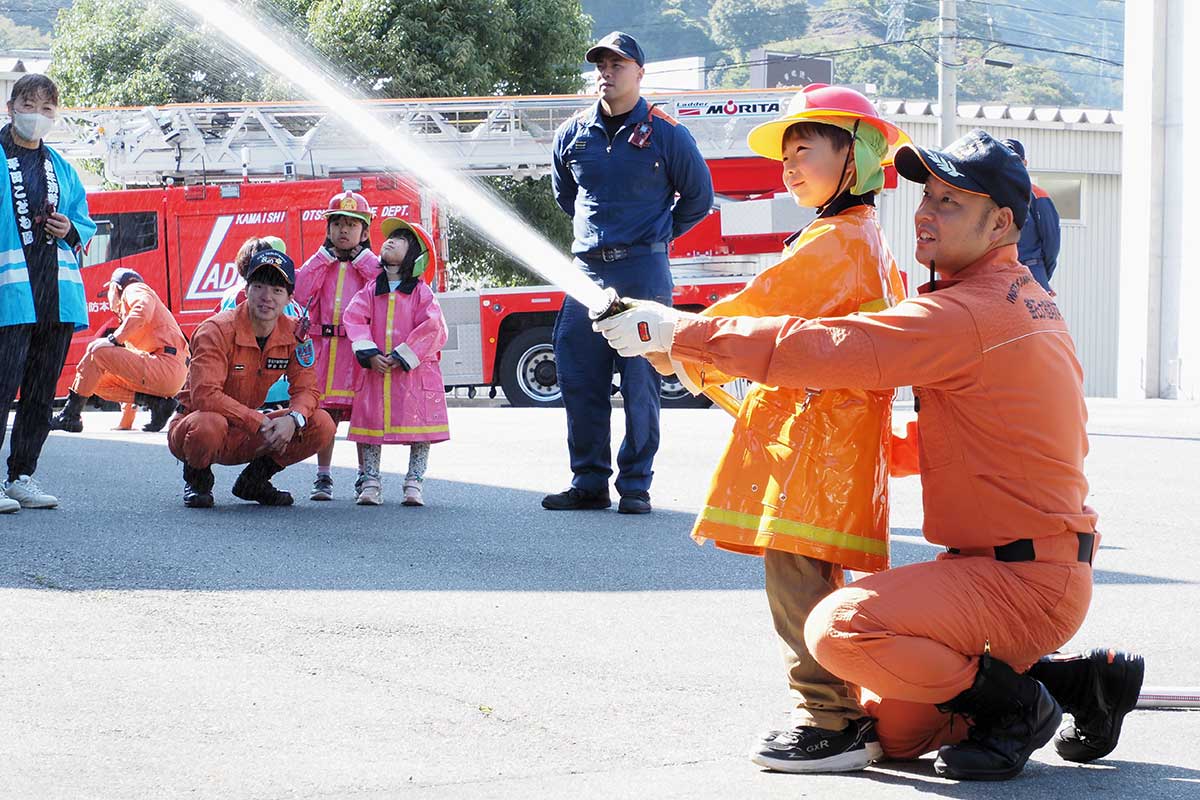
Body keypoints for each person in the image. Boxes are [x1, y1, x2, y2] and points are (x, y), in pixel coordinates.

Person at [594, 130, 1142, 781]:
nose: (925, 213)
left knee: (842, 631)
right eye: (927, 196)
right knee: (896, 733)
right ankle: (1078, 684)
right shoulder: (1017, 299)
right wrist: (846, 446)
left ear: (1001, 224)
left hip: (1018, 582)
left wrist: (681, 331)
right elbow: (968, 442)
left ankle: (1019, 706)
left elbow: (832, 345)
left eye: (950, 202)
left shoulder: (967, 312)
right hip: (1018, 570)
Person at [650, 84, 910, 772]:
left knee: (798, 583)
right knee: (807, 578)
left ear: (855, 156)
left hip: (819, 446)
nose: (789, 165)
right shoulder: (855, 236)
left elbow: (761, 307)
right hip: (825, 443)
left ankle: (831, 720)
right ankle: (836, 710)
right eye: (785, 154)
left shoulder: (839, 240)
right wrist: (678, 339)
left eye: (805, 149)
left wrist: (673, 332)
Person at [543, 31, 713, 515]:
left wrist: (657, 233)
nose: (607, 73)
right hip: (586, 272)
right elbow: (566, 196)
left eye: (617, 65)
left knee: (641, 379)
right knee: (580, 376)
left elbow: (698, 198)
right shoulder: (572, 133)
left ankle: (636, 485)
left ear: (640, 72)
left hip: (643, 270)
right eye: (601, 65)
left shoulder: (668, 133)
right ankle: (589, 482)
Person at [168, 249, 336, 508]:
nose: (267, 297)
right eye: (258, 287)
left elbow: (308, 389)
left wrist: (293, 419)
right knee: (209, 424)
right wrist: (257, 421)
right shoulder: (215, 330)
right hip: (197, 426)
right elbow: (205, 395)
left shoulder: (296, 334)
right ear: (246, 290)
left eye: (277, 290)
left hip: (247, 430)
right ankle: (198, 479)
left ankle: (254, 481)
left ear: (290, 297)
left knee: (322, 423)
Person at [0, 74, 96, 513]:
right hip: (8, 297)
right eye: (28, 104)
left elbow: (85, 223)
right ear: (10, 107)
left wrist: (70, 228)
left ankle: (22, 476)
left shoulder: (62, 167)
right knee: (2, 387)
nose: (36, 114)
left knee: (40, 392)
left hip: (55, 296)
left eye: (46, 108)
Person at [343, 218, 449, 506]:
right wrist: (368, 352)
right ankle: (370, 482)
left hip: (413, 374)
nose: (390, 240)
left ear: (416, 254)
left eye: (401, 238)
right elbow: (354, 317)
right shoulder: (370, 289)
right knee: (370, 425)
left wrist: (404, 355)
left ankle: (414, 482)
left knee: (420, 429)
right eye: (391, 237)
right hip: (376, 370)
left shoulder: (422, 292)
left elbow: (434, 327)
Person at [294, 191, 379, 501]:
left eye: (352, 225)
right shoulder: (321, 263)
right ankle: (323, 475)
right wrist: (322, 258)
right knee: (324, 416)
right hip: (324, 353)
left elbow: (382, 289)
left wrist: (363, 260)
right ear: (328, 229)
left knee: (363, 416)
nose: (344, 230)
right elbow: (300, 292)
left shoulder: (370, 265)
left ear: (365, 232)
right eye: (338, 224)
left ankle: (365, 475)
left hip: (356, 354)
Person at [50, 268, 187, 433]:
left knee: (96, 352)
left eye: (109, 290)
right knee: (94, 380)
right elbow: (128, 373)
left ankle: (70, 415)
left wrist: (113, 339)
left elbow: (142, 310)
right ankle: (156, 404)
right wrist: (126, 422)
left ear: (115, 288)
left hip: (165, 365)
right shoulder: (130, 320)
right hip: (167, 371)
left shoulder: (134, 288)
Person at [1003, 138, 1061, 292]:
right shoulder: (989, 196)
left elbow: (1051, 242)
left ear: (1025, 163)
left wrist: (1041, 275)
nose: (1011, 166)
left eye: (1015, 161)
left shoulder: (1038, 196)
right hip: (999, 272)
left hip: (1031, 270)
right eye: (1005, 161)